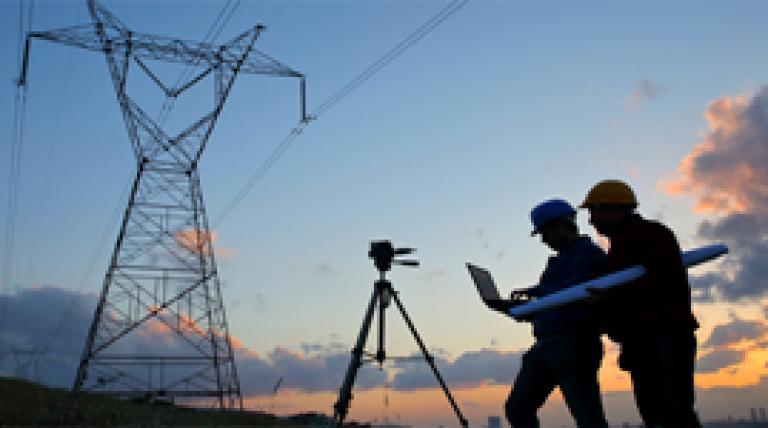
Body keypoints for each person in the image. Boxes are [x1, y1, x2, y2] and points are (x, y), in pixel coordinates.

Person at [580, 179, 701, 427]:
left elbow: (666, 280)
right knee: (656, 413)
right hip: (644, 340)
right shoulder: (621, 245)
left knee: (673, 413)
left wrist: (610, 296)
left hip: (663, 335)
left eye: (594, 212)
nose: (591, 220)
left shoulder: (652, 234)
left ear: (611, 209)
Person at [501, 199, 609, 428]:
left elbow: (569, 294)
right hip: (547, 344)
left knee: (588, 418)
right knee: (517, 409)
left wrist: (532, 303)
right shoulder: (559, 261)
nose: (543, 240)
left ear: (561, 226)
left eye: (544, 232)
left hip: (574, 344)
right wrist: (526, 299)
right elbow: (551, 294)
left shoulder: (588, 254)